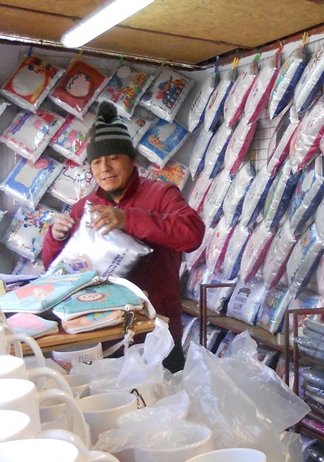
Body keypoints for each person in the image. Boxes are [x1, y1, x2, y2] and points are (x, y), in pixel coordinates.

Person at [42, 101, 205, 372]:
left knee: (168, 406)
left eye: (113, 158)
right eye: (96, 161)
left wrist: (128, 219)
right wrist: (55, 238)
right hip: (102, 335)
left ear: (132, 160)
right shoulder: (84, 208)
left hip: (156, 331)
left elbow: (192, 234)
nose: (104, 167)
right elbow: (59, 270)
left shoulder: (161, 194)